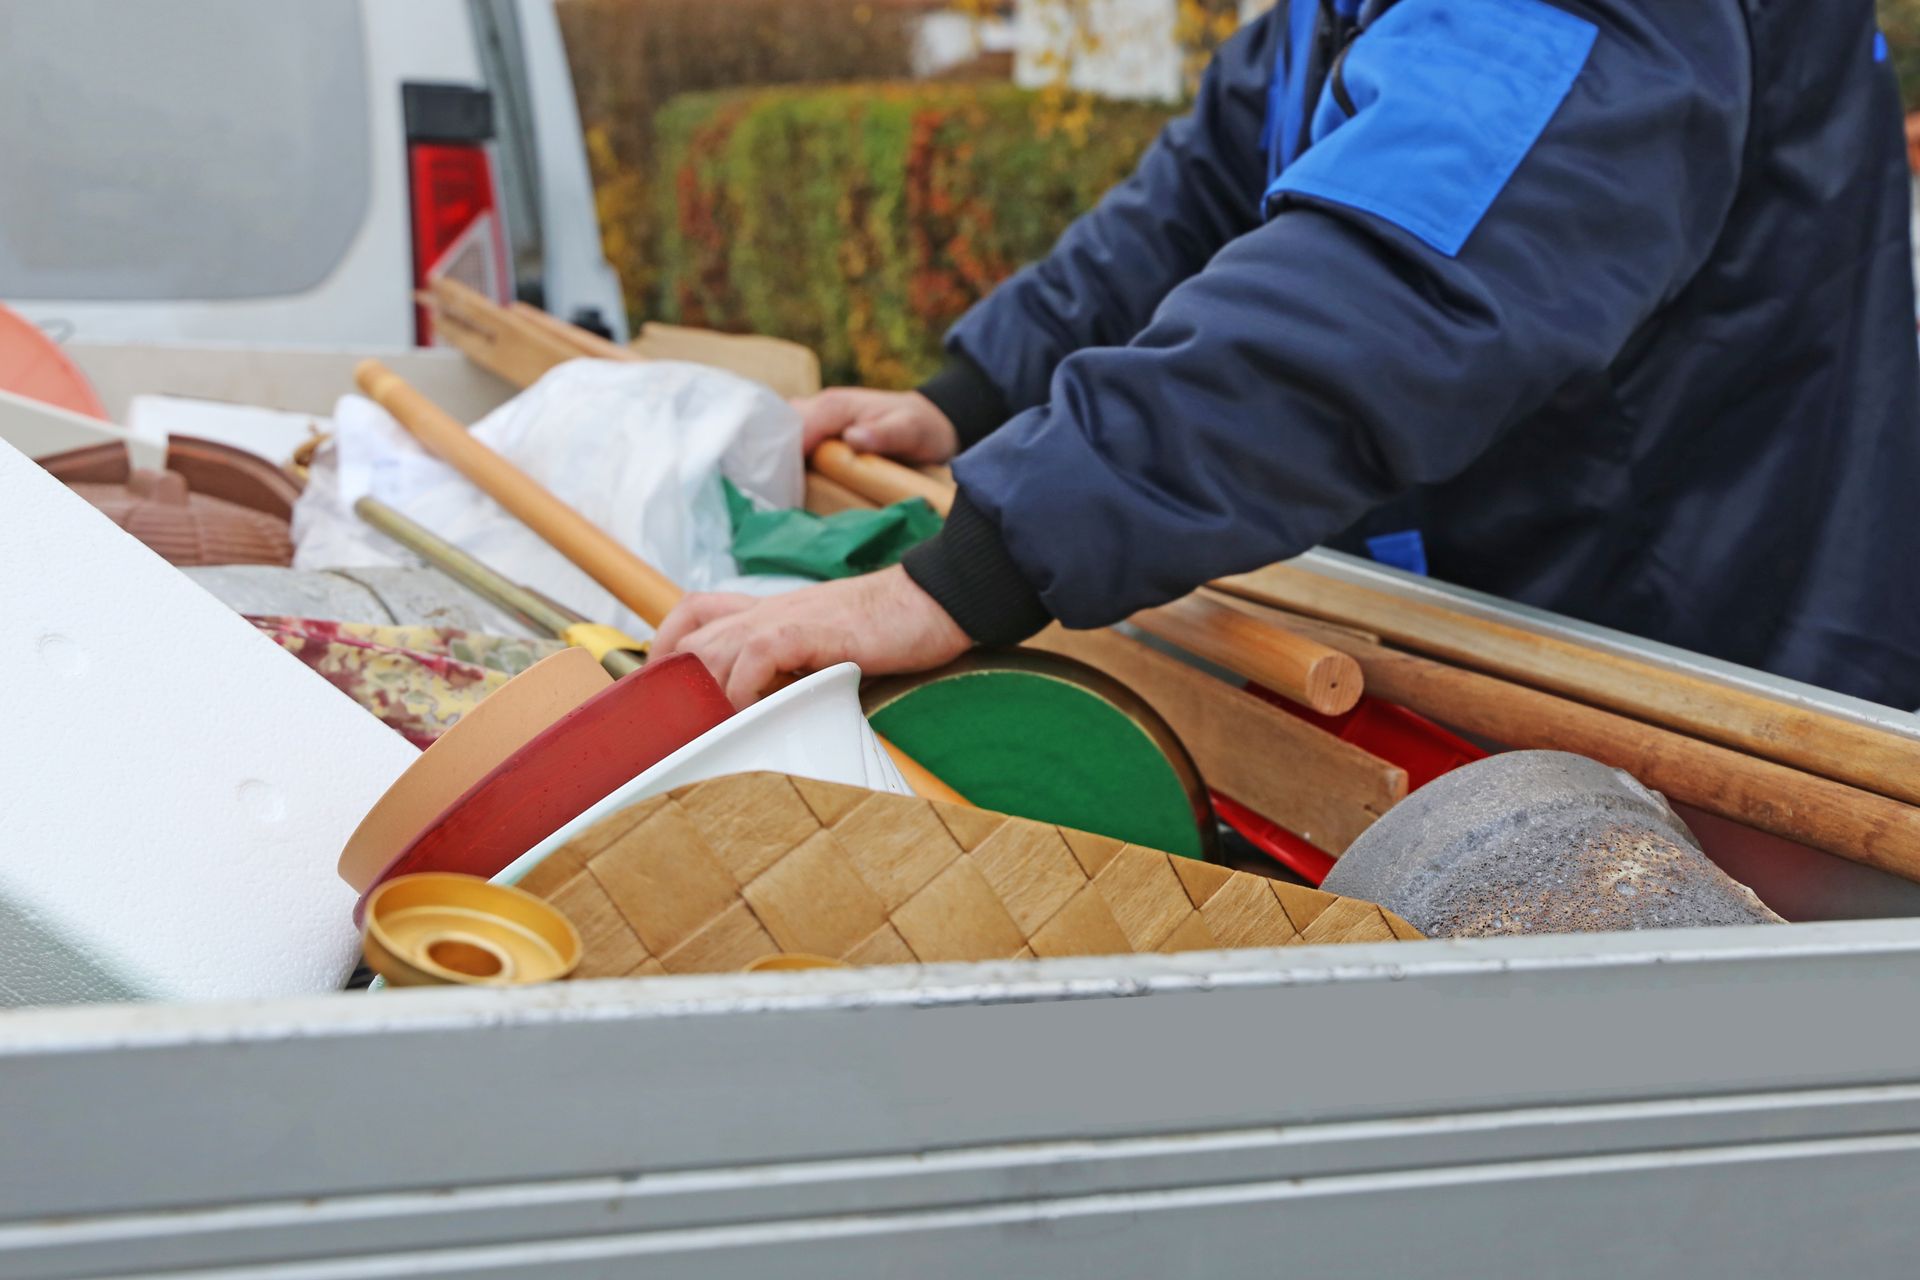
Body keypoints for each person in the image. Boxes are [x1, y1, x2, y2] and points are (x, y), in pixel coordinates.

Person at [657, 0, 1920, 710]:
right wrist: (972, 396)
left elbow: (1397, 280)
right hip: (1531, 615)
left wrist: (964, 576)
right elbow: (1208, 188)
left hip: (1712, 663)